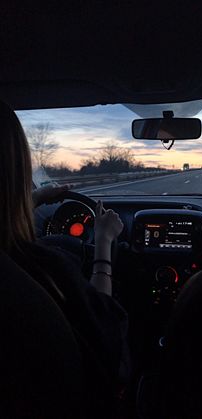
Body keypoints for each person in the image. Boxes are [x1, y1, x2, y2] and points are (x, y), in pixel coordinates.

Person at [0, 101, 130, 418]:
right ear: (16, 172)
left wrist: (30, 201)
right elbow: (104, 328)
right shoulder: (47, 268)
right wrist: (103, 244)